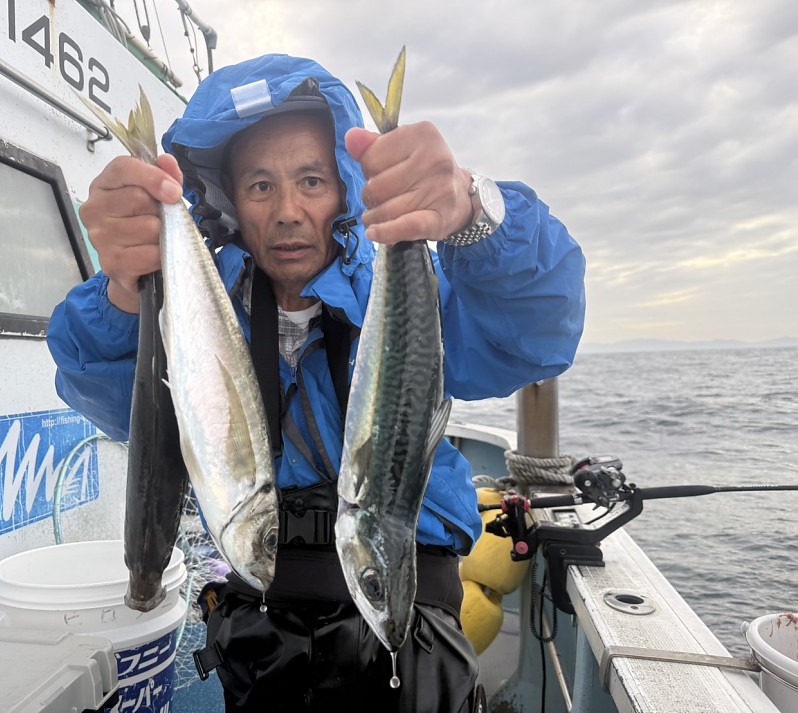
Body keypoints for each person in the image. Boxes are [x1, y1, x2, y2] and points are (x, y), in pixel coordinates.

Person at [47, 54, 586, 713]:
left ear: (346, 186)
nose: (288, 211)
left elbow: (539, 334)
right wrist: (127, 295)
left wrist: (472, 210)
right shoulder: (197, 306)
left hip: (405, 608)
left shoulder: (407, 294)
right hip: (258, 625)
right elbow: (111, 398)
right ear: (227, 199)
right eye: (260, 186)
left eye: (311, 180)